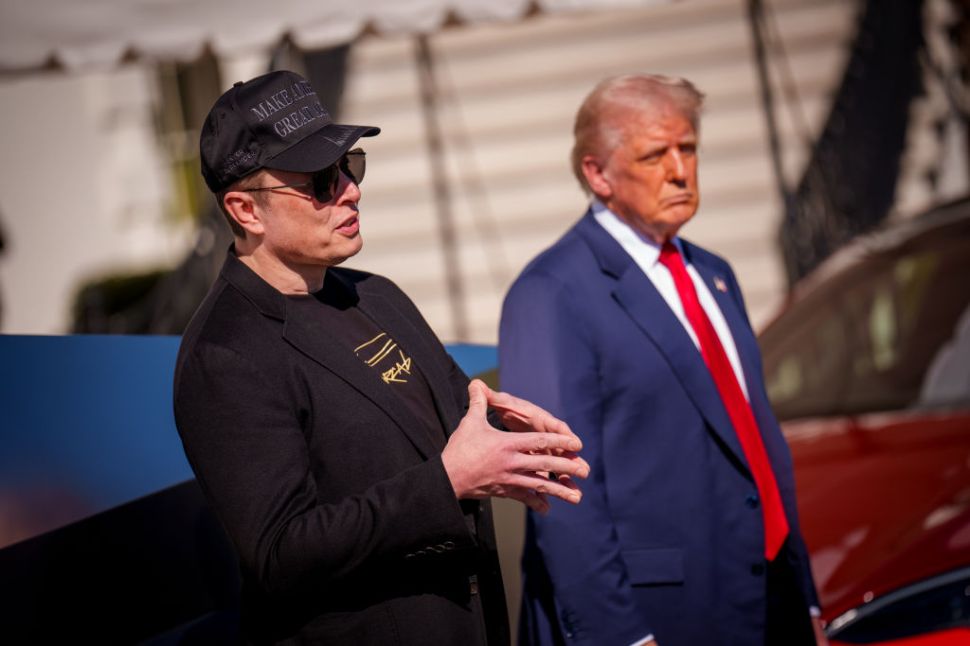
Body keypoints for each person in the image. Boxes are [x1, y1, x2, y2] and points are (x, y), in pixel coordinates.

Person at [173, 70, 589, 646]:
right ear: (246, 210)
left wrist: (508, 436)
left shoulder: (376, 294)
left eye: (350, 165)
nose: (350, 189)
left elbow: (446, 424)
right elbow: (279, 554)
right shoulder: (227, 353)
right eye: (320, 180)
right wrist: (449, 482)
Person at [499, 74, 825, 645]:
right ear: (597, 173)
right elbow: (559, 488)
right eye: (655, 154)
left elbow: (756, 440)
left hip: (771, 598)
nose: (680, 170)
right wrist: (620, 635)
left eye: (689, 148)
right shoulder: (552, 291)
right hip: (660, 618)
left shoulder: (714, 273)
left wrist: (808, 602)